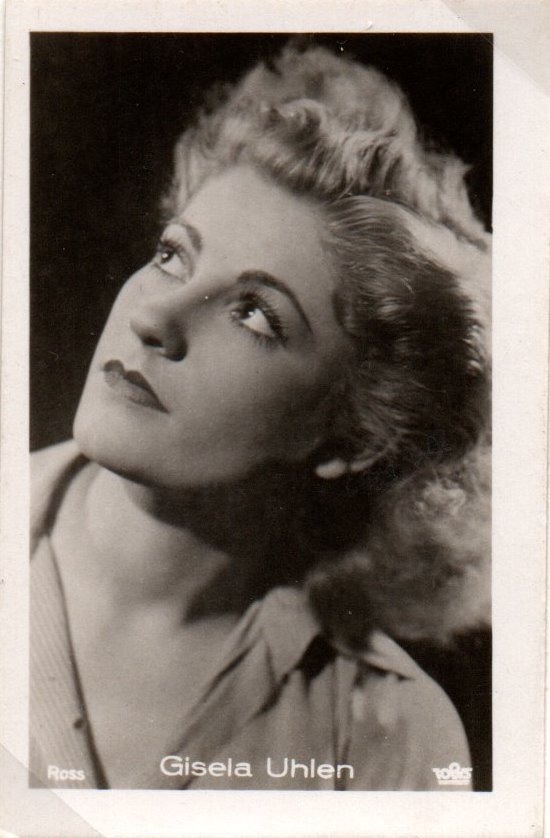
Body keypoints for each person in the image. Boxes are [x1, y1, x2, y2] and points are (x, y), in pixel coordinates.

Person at [30, 43, 491, 791]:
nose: (155, 317)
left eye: (254, 314)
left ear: (353, 434)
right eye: (173, 256)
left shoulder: (390, 735)